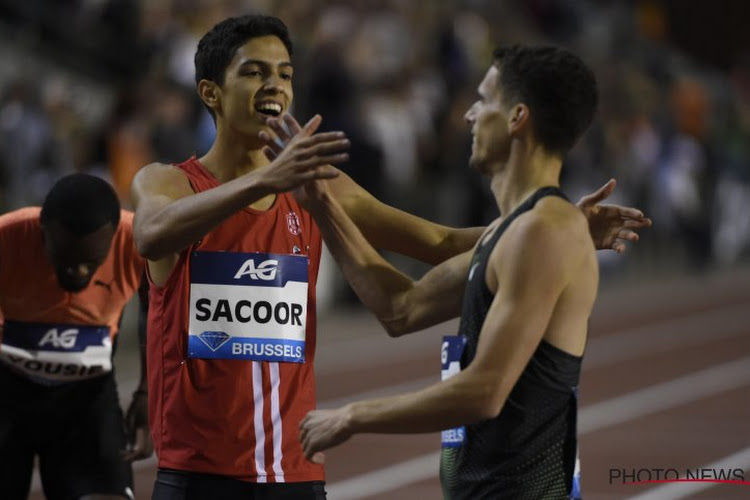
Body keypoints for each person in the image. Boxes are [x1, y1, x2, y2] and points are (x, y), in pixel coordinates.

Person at [131, 14, 648, 499]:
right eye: (254, 73)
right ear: (211, 93)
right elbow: (151, 234)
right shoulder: (169, 182)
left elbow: (438, 242)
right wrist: (265, 179)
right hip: (196, 473)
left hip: (294, 469)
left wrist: (557, 224)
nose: (275, 86)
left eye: (285, 74)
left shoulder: (317, 182)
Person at [294, 44, 608, 499]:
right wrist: (322, 205)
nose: (469, 115)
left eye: (484, 100)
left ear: (518, 117)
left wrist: (353, 416)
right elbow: (401, 309)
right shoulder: (515, 231)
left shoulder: (545, 232)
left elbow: (484, 390)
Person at [0, 173, 152, 500]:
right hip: (7, 392)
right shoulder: (7, 237)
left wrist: (147, 390)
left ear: (113, 240)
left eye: (91, 263)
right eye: (65, 259)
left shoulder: (137, 239)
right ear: (43, 232)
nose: (78, 271)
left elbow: (160, 305)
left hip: (88, 398)